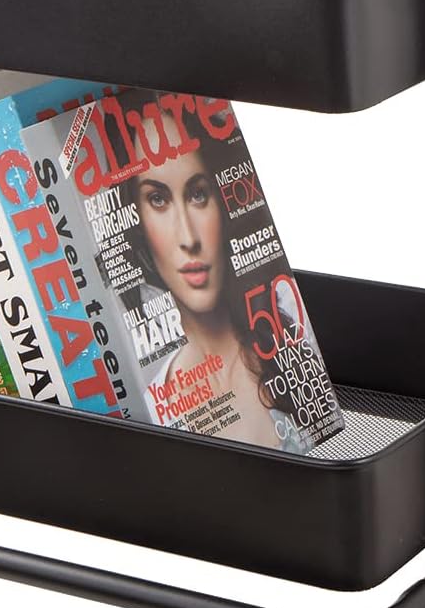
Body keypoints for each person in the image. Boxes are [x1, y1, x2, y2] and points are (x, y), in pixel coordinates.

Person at [110, 91, 313, 453]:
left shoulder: (294, 325)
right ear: (136, 221)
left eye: (198, 194)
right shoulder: (154, 411)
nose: (188, 237)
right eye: (158, 199)